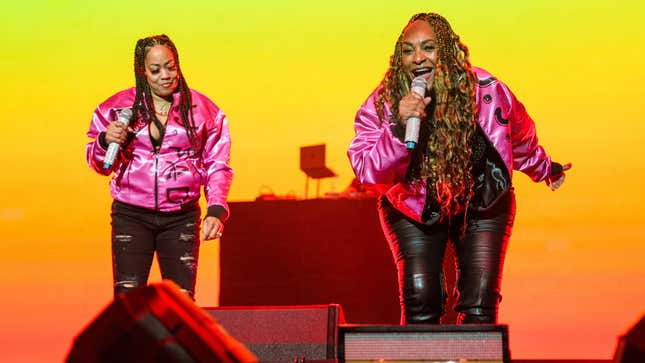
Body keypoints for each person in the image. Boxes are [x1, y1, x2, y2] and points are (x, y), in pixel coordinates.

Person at [348, 13, 571, 324]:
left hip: (482, 201)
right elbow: (368, 171)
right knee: (421, 303)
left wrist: (545, 168)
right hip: (413, 207)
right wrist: (400, 128)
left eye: (428, 47)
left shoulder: (487, 91)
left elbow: (519, 136)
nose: (418, 58)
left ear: (447, 50)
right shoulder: (385, 101)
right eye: (408, 50)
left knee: (480, 303)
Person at [86, 34, 233, 299]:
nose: (165, 75)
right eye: (155, 70)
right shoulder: (116, 108)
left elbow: (217, 163)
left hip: (181, 216)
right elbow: (99, 164)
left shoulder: (204, 110)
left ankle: (178, 343)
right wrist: (104, 140)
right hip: (130, 215)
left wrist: (216, 208)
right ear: (142, 72)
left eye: (170, 66)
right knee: (128, 301)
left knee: (182, 303)